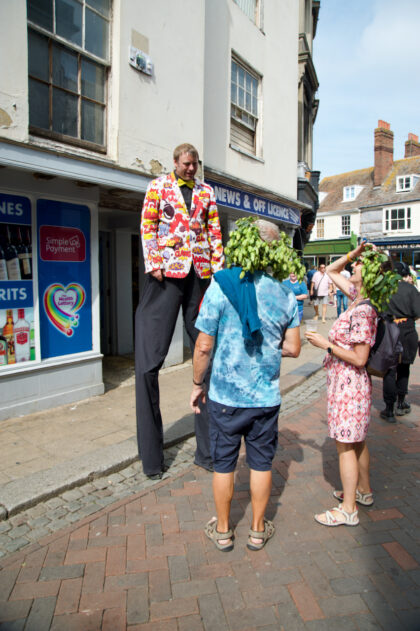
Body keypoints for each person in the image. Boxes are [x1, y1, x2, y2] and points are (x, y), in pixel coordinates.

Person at [190, 219, 301, 551]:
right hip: (265, 397)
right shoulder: (286, 292)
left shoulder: (221, 285)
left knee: (224, 463)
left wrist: (197, 383)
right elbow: (294, 348)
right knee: (261, 463)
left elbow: (203, 346)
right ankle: (256, 530)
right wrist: (267, 344)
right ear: (275, 250)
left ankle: (223, 531)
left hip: (225, 396)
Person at [135, 143, 224, 479]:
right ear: (175, 163)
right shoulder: (158, 187)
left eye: (195, 164)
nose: (192, 169)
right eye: (187, 164)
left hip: (199, 277)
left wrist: (217, 269)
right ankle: (152, 459)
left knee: (207, 354)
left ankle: (209, 451)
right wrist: (154, 264)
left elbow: (214, 232)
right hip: (165, 276)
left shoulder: (207, 192)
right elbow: (148, 226)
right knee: (148, 363)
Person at [305, 242, 387, 527]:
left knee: (345, 446)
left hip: (350, 385)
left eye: (359, 267)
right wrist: (354, 253)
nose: (353, 267)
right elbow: (332, 269)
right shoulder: (356, 297)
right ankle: (362, 491)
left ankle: (348, 509)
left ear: (369, 276)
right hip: (347, 384)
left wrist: (326, 345)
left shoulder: (363, 311)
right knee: (357, 441)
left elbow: (360, 358)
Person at [380, 262, 420, 423]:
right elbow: (417, 313)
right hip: (407, 330)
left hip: (389, 329)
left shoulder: (384, 289)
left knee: (389, 370)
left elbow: (379, 311)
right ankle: (401, 402)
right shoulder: (411, 289)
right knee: (404, 367)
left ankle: (389, 409)